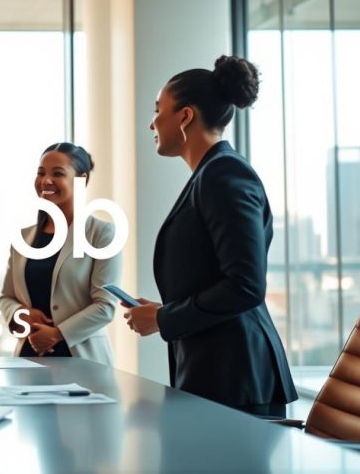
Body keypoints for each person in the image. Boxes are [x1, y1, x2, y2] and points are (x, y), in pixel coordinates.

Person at [124, 55, 297, 417]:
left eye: (158, 110)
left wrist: (165, 319)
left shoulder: (224, 174)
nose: (152, 122)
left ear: (185, 116)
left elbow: (246, 285)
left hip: (238, 380)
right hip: (218, 375)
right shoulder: (211, 174)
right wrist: (162, 312)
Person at [0, 143, 121, 363]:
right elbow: (6, 297)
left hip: (83, 360)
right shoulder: (23, 237)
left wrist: (56, 334)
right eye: (41, 173)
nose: (46, 180)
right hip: (29, 358)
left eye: (58, 173)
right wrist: (21, 314)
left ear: (81, 180)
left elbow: (106, 305)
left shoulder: (101, 233)